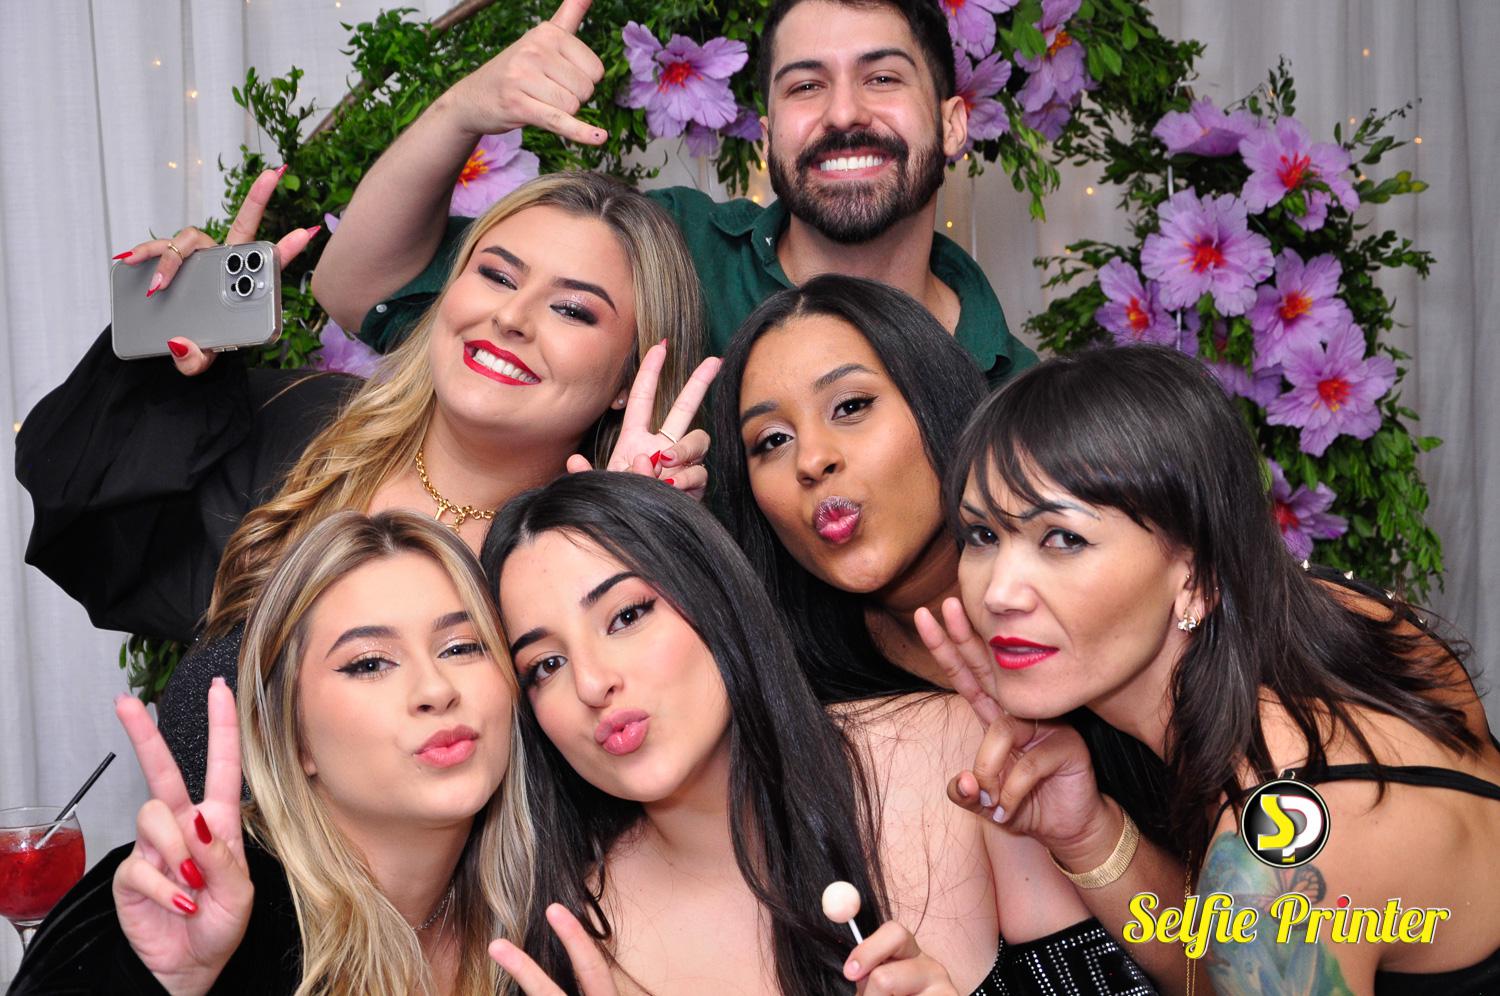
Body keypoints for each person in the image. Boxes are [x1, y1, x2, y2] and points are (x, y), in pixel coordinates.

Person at [16, 168, 717, 798]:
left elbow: (630, 788)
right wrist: (169, 338)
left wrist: (628, 537)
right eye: (497, 276)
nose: (510, 317)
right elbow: (85, 523)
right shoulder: (302, 431)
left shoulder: (595, 565)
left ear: (628, 379)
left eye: (571, 309)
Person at [921, 344, 1500, 995]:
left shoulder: (1280, 849)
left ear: (1197, 576)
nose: (1000, 592)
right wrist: (1089, 834)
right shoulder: (1342, 615)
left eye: (1064, 538)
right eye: (982, 535)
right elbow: (1223, 962)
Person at [480, 472, 1158, 995]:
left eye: (627, 616)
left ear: (716, 596)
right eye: (545, 665)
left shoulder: (955, 759)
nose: (591, 683)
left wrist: (1090, 836)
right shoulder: (582, 943)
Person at [310, 0, 1033, 386]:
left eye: (882, 78)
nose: (843, 113)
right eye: (805, 86)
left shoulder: (1014, 393)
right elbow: (360, 288)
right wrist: (463, 110)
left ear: (952, 123)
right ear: (768, 133)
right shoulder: (669, 247)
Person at [10, 511, 534, 995]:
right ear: (292, 735)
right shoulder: (181, 891)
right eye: (371, 663)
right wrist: (164, 984)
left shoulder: (545, 906)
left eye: (461, 647)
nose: (436, 689)